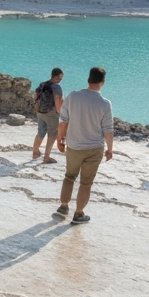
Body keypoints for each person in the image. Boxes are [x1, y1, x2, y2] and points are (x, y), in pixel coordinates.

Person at [55, 67, 114, 225]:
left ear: (89, 80)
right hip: (94, 149)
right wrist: (110, 148)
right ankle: (79, 213)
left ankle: (63, 206)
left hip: (74, 146)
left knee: (69, 176)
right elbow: (108, 129)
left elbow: (64, 120)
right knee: (86, 182)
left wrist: (60, 139)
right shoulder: (105, 104)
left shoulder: (73, 96)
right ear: (102, 82)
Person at [31, 67, 65, 163]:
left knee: (41, 132)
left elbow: (36, 96)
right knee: (52, 135)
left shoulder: (42, 84)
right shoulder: (56, 87)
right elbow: (57, 101)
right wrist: (59, 112)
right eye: (60, 77)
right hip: (51, 113)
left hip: (40, 112)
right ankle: (47, 157)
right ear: (57, 76)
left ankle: (35, 152)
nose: (61, 79)